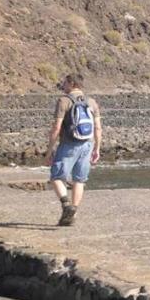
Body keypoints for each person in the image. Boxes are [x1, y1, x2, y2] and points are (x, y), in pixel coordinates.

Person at [44, 73, 102, 227]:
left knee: (56, 177)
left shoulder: (64, 101)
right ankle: (72, 213)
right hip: (87, 144)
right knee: (79, 180)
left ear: (71, 83)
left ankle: (66, 205)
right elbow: (98, 128)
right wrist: (97, 148)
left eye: (64, 83)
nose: (62, 85)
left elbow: (56, 127)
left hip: (69, 144)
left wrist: (50, 150)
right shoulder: (92, 102)